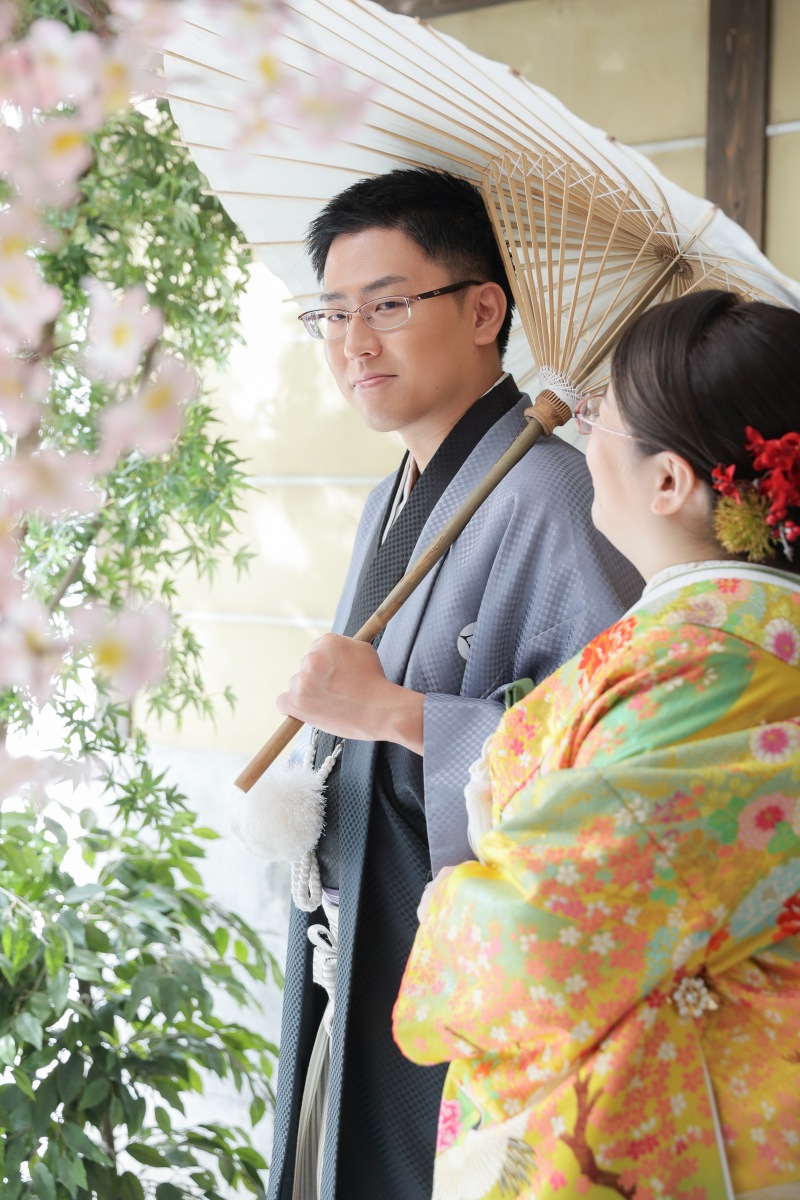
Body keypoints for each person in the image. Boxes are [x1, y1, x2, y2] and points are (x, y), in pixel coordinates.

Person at [266, 167, 643, 1200]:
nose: (352, 342)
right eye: (330, 313)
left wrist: (393, 714)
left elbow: (612, 750)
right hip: (355, 934)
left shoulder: (552, 492)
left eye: (386, 304)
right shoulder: (392, 494)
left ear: (483, 309)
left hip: (455, 959)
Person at [394, 288, 800, 1200]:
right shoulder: (730, 647)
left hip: (684, 1126)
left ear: (670, 481)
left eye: (603, 416)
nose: (581, 428)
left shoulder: (712, 667)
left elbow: (545, 944)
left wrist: (450, 905)